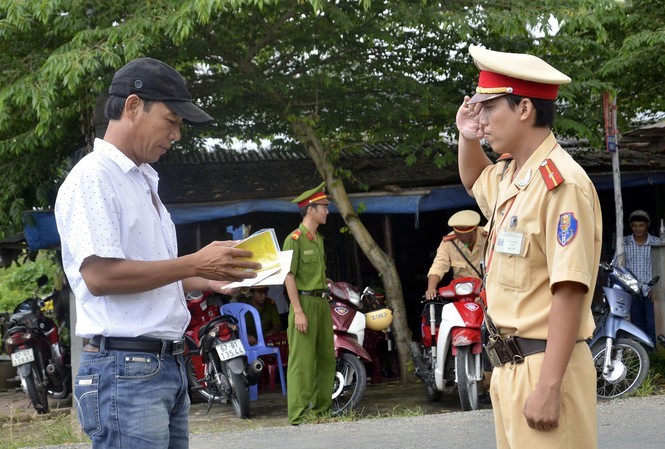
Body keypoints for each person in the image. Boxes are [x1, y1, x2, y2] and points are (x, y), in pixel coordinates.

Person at [54, 58, 260, 449]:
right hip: (125, 369)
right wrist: (195, 261)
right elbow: (100, 277)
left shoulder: (143, 179)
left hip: (162, 365)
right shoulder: (94, 176)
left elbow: (154, 274)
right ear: (133, 106)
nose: (177, 135)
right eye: (171, 120)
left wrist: (211, 276)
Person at [456, 45, 601, 448]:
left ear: (523, 108)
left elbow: (569, 288)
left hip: (544, 366)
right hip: (511, 369)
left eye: (489, 108)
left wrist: (550, 386)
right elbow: (474, 183)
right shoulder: (514, 174)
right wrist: (467, 138)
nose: (481, 120)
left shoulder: (561, 183)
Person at [282, 182, 335, 425]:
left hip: (321, 303)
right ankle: (299, 415)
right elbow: (288, 276)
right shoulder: (293, 239)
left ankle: (321, 412)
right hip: (302, 303)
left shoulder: (319, 239)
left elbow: (312, 272)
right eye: (323, 206)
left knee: (326, 358)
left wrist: (323, 281)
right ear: (310, 209)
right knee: (301, 362)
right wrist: (298, 311)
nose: (327, 211)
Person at [425, 209, 486, 300]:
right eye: (461, 238)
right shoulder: (449, 243)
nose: (465, 241)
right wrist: (431, 289)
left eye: (468, 238)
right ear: (455, 233)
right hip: (463, 296)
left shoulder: (488, 236)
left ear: (476, 229)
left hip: (488, 293)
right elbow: (438, 266)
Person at [622, 209, 661, 346]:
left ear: (647, 225)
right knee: (637, 326)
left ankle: (656, 355)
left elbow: (661, 268)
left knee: (653, 325)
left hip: (651, 291)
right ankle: (643, 355)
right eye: (635, 226)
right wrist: (625, 287)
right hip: (632, 292)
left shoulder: (657, 243)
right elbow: (617, 267)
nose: (638, 229)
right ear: (631, 226)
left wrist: (657, 288)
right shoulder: (624, 243)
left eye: (641, 225)